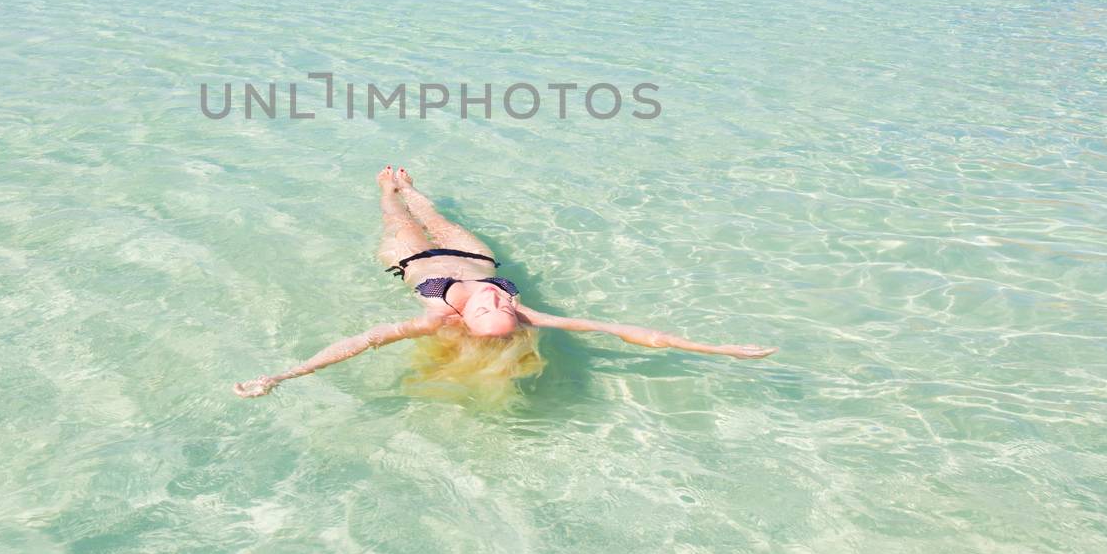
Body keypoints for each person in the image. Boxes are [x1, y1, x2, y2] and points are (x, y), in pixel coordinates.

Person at [232, 167, 777, 397]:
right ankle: (413, 188)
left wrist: (284, 375)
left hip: (414, 261)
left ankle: (389, 189)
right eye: (502, 306)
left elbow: (359, 343)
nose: (495, 297)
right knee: (433, 210)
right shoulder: (525, 313)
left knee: (396, 218)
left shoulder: (435, 316)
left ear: (464, 322)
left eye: (488, 306)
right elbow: (622, 332)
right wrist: (716, 348)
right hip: (472, 254)